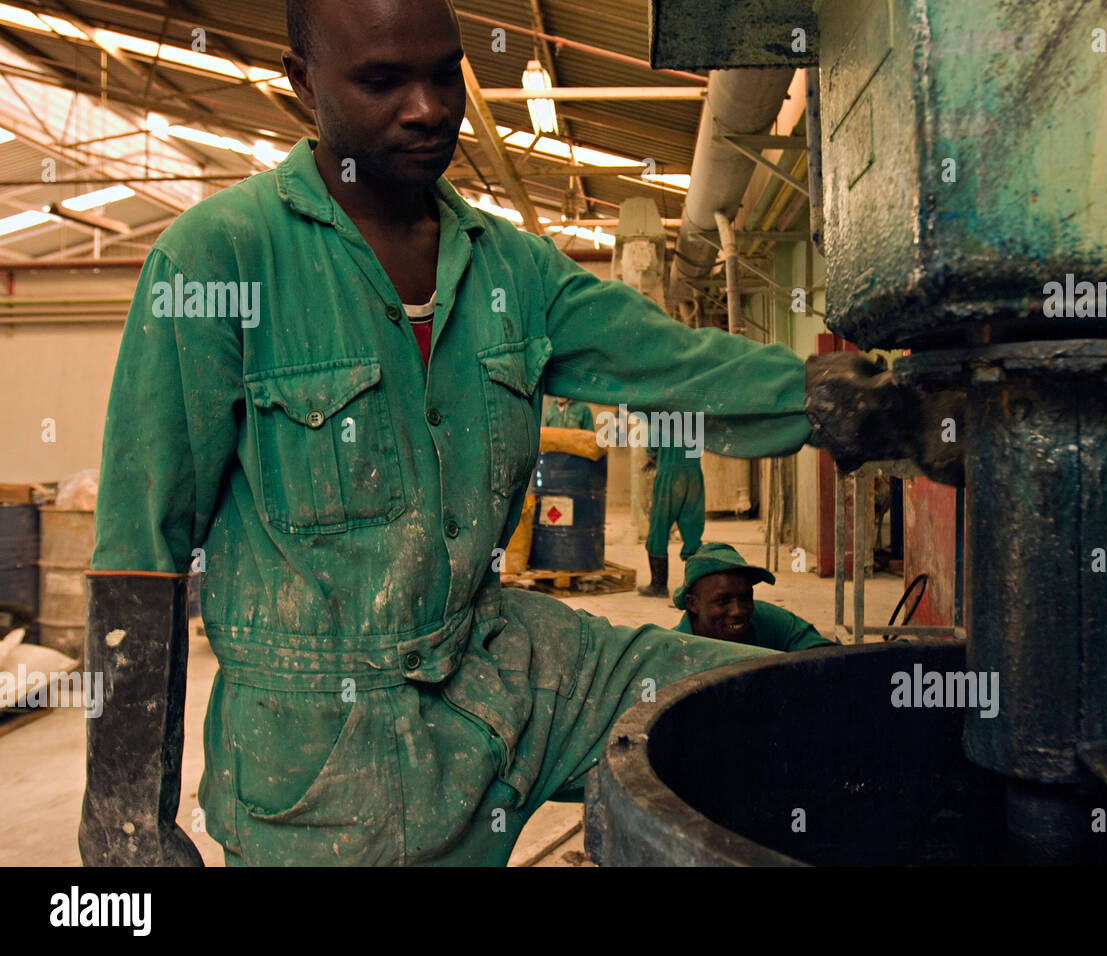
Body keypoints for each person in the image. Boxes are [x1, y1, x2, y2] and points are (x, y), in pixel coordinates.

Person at [79, 0, 956, 868]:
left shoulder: (510, 265)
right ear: (302, 82)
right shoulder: (218, 261)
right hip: (325, 751)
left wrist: (864, 404)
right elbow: (139, 546)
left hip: (501, 663)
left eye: (443, 73)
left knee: (777, 701)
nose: (427, 108)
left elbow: (670, 365)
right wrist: (125, 821)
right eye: (383, 80)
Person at [673, 543, 834, 652]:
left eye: (745, 597)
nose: (737, 611)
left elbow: (830, 659)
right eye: (723, 601)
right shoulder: (671, 650)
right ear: (693, 604)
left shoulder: (772, 621)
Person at [636, 443, 705, 598]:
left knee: (658, 527)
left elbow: (652, 448)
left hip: (669, 474)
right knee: (693, 529)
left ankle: (658, 586)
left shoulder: (660, 419)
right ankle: (697, 587)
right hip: (694, 474)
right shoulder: (697, 418)